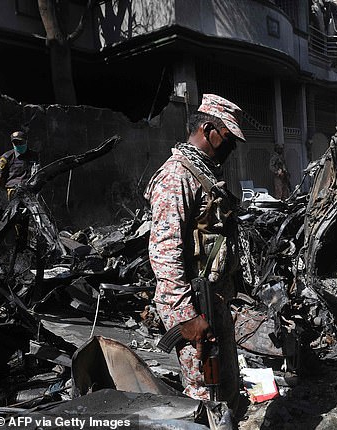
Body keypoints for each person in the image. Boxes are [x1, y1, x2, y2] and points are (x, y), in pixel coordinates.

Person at [144, 94, 245, 409]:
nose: (231, 147)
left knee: (226, 387)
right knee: (205, 393)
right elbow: (164, 252)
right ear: (208, 129)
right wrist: (187, 318)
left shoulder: (205, 173)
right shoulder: (177, 176)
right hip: (192, 304)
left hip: (213, 299)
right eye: (227, 138)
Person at [0, 131, 40, 199]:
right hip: (13, 193)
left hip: (31, 192)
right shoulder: (6, 158)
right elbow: (1, 179)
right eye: (15, 143)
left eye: (21, 142)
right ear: (12, 144)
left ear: (26, 141)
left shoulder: (34, 156)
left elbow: (39, 174)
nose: (18, 145)